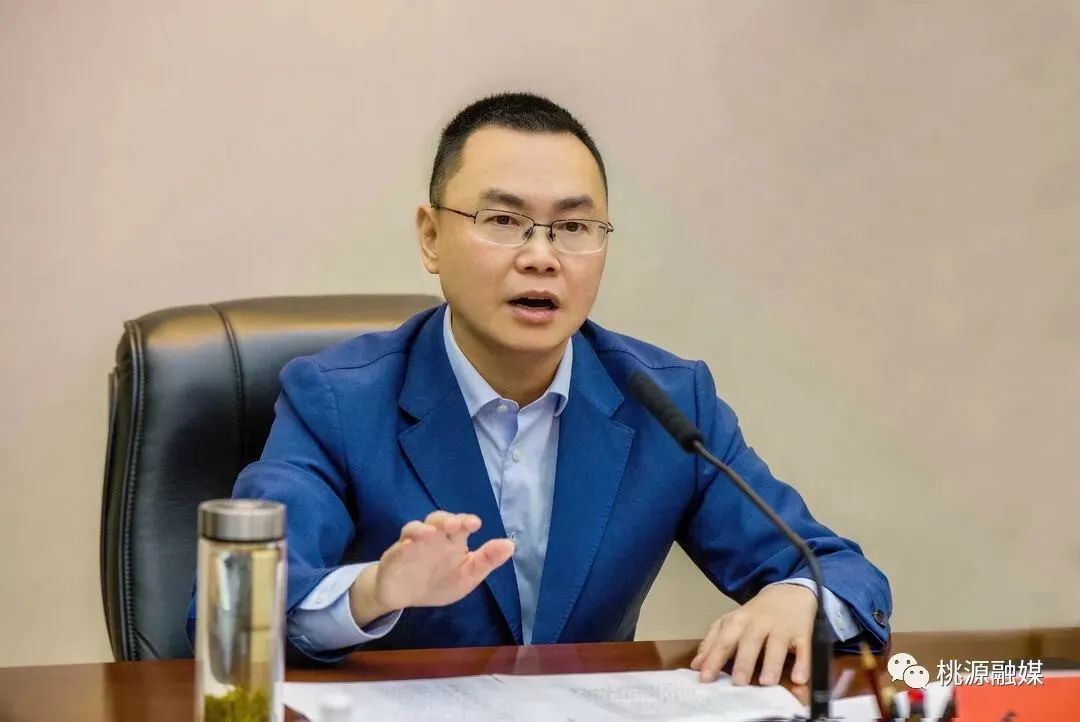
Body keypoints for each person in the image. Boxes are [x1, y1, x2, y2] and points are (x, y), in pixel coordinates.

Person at [189, 92, 891, 687]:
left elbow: (838, 570)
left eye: (574, 227)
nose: (541, 256)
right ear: (430, 238)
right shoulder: (337, 400)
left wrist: (797, 598)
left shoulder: (668, 403)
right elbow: (229, 608)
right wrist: (374, 592)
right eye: (503, 221)